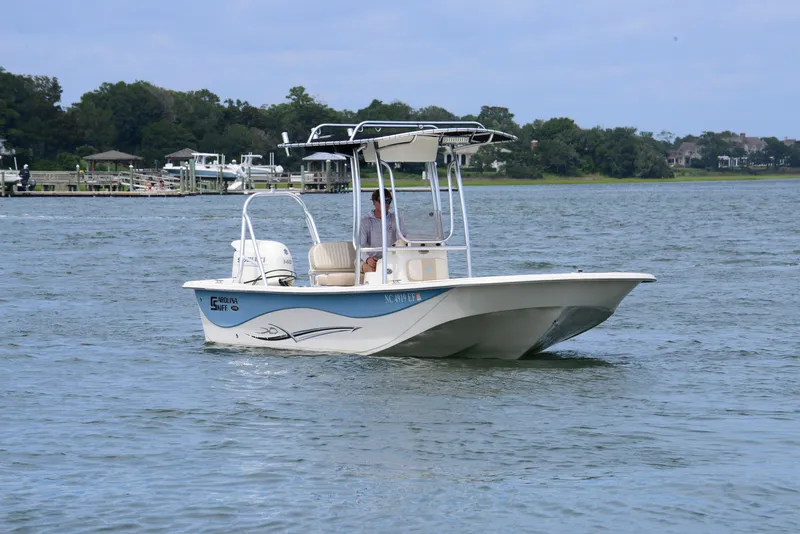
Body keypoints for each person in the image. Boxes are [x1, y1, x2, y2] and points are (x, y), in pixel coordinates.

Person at [360, 188, 403, 272]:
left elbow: (401, 240)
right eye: (382, 201)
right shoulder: (365, 221)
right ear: (374, 202)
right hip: (370, 259)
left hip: (390, 258)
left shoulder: (396, 219)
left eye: (388, 202)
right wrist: (368, 259)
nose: (385, 204)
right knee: (375, 271)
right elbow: (361, 246)